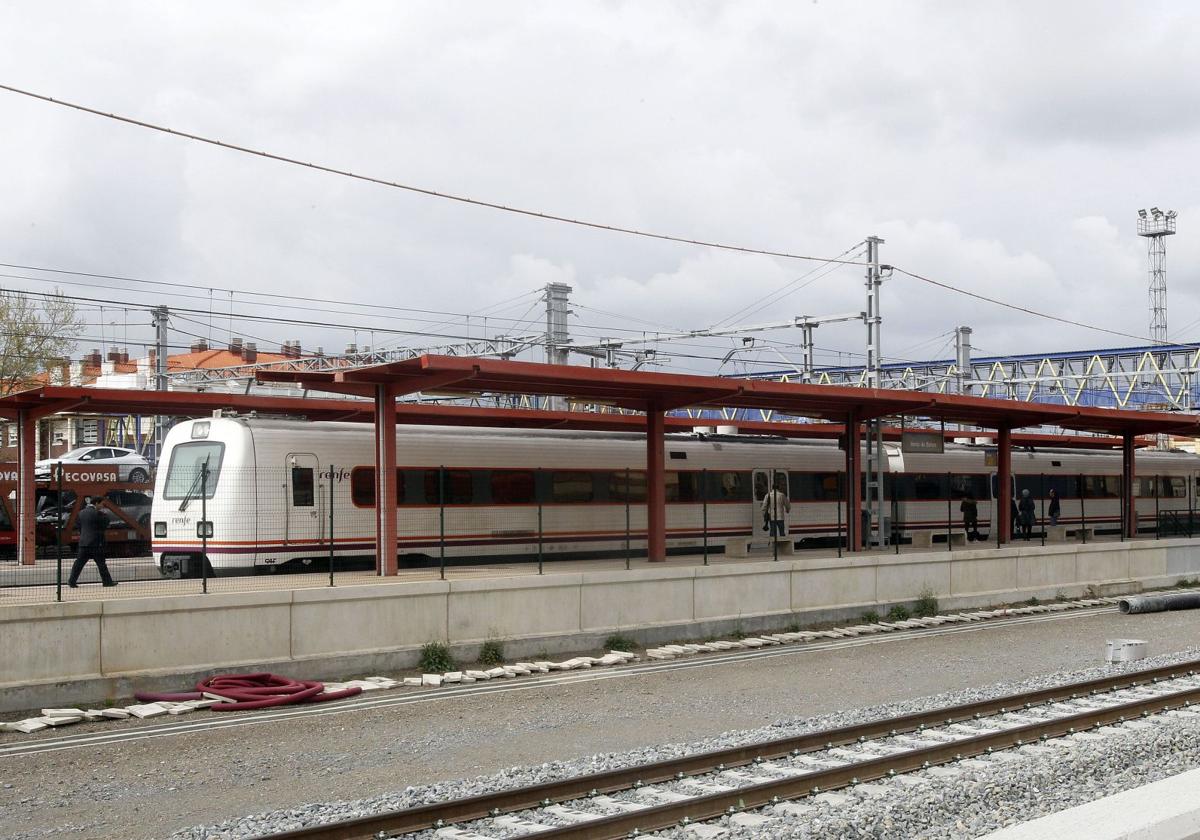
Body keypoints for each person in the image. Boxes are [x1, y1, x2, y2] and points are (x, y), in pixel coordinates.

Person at [68, 497, 117, 588]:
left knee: (78, 564)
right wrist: (105, 516)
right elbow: (104, 524)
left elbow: (78, 525)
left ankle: (72, 581)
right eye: (102, 504)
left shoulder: (81, 513)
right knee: (101, 564)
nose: (102, 506)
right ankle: (107, 582)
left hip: (84, 543)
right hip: (96, 543)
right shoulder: (98, 514)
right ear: (97, 503)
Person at [761, 478, 791, 542]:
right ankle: (783, 545)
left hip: (772, 517)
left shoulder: (768, 495)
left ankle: (773, 546)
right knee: (782, 532)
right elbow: (787, 505)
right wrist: (787, 510)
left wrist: (765, 515)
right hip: (780, 517)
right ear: (778, 488)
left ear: (772, 488)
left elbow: (764, 507)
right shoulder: (782, 495)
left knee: (772, 533)